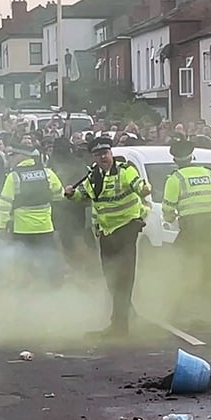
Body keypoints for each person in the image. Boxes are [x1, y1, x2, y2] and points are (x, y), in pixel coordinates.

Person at [64, 137, 151, 337]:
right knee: (111, 278)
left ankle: (120, 327)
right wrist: (70, 194)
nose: (103, 157)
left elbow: (138, 185)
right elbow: (83, 196)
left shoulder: (125, 170)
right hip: (106, 233)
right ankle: (124, 315)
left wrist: (144, 189)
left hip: (127, 230)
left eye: (106, 153)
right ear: (94, 157)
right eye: (98, 154)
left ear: (111, 153)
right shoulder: (93, 176)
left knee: (124, 278)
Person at [162, 139, 211, 316]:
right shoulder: (209, 174)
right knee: (210, 267)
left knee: (180, 263)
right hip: (210, 226)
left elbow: (168, 208)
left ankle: (177, 308)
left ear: (175, 160)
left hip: (190, 228)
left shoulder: (175, 179)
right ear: (192, 157)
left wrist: (170, 217)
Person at [0, 144, 65, 284]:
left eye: (13, 155)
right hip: (45, 227)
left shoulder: (13, 176)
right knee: (49, 261)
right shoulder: (47, 173)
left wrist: (2, 227)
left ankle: (28, 294)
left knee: (24, 265)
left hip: (22, 230)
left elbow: (4, 205)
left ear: (23, 156)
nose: (11, 159)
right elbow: (60, 194)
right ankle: (53, 291)